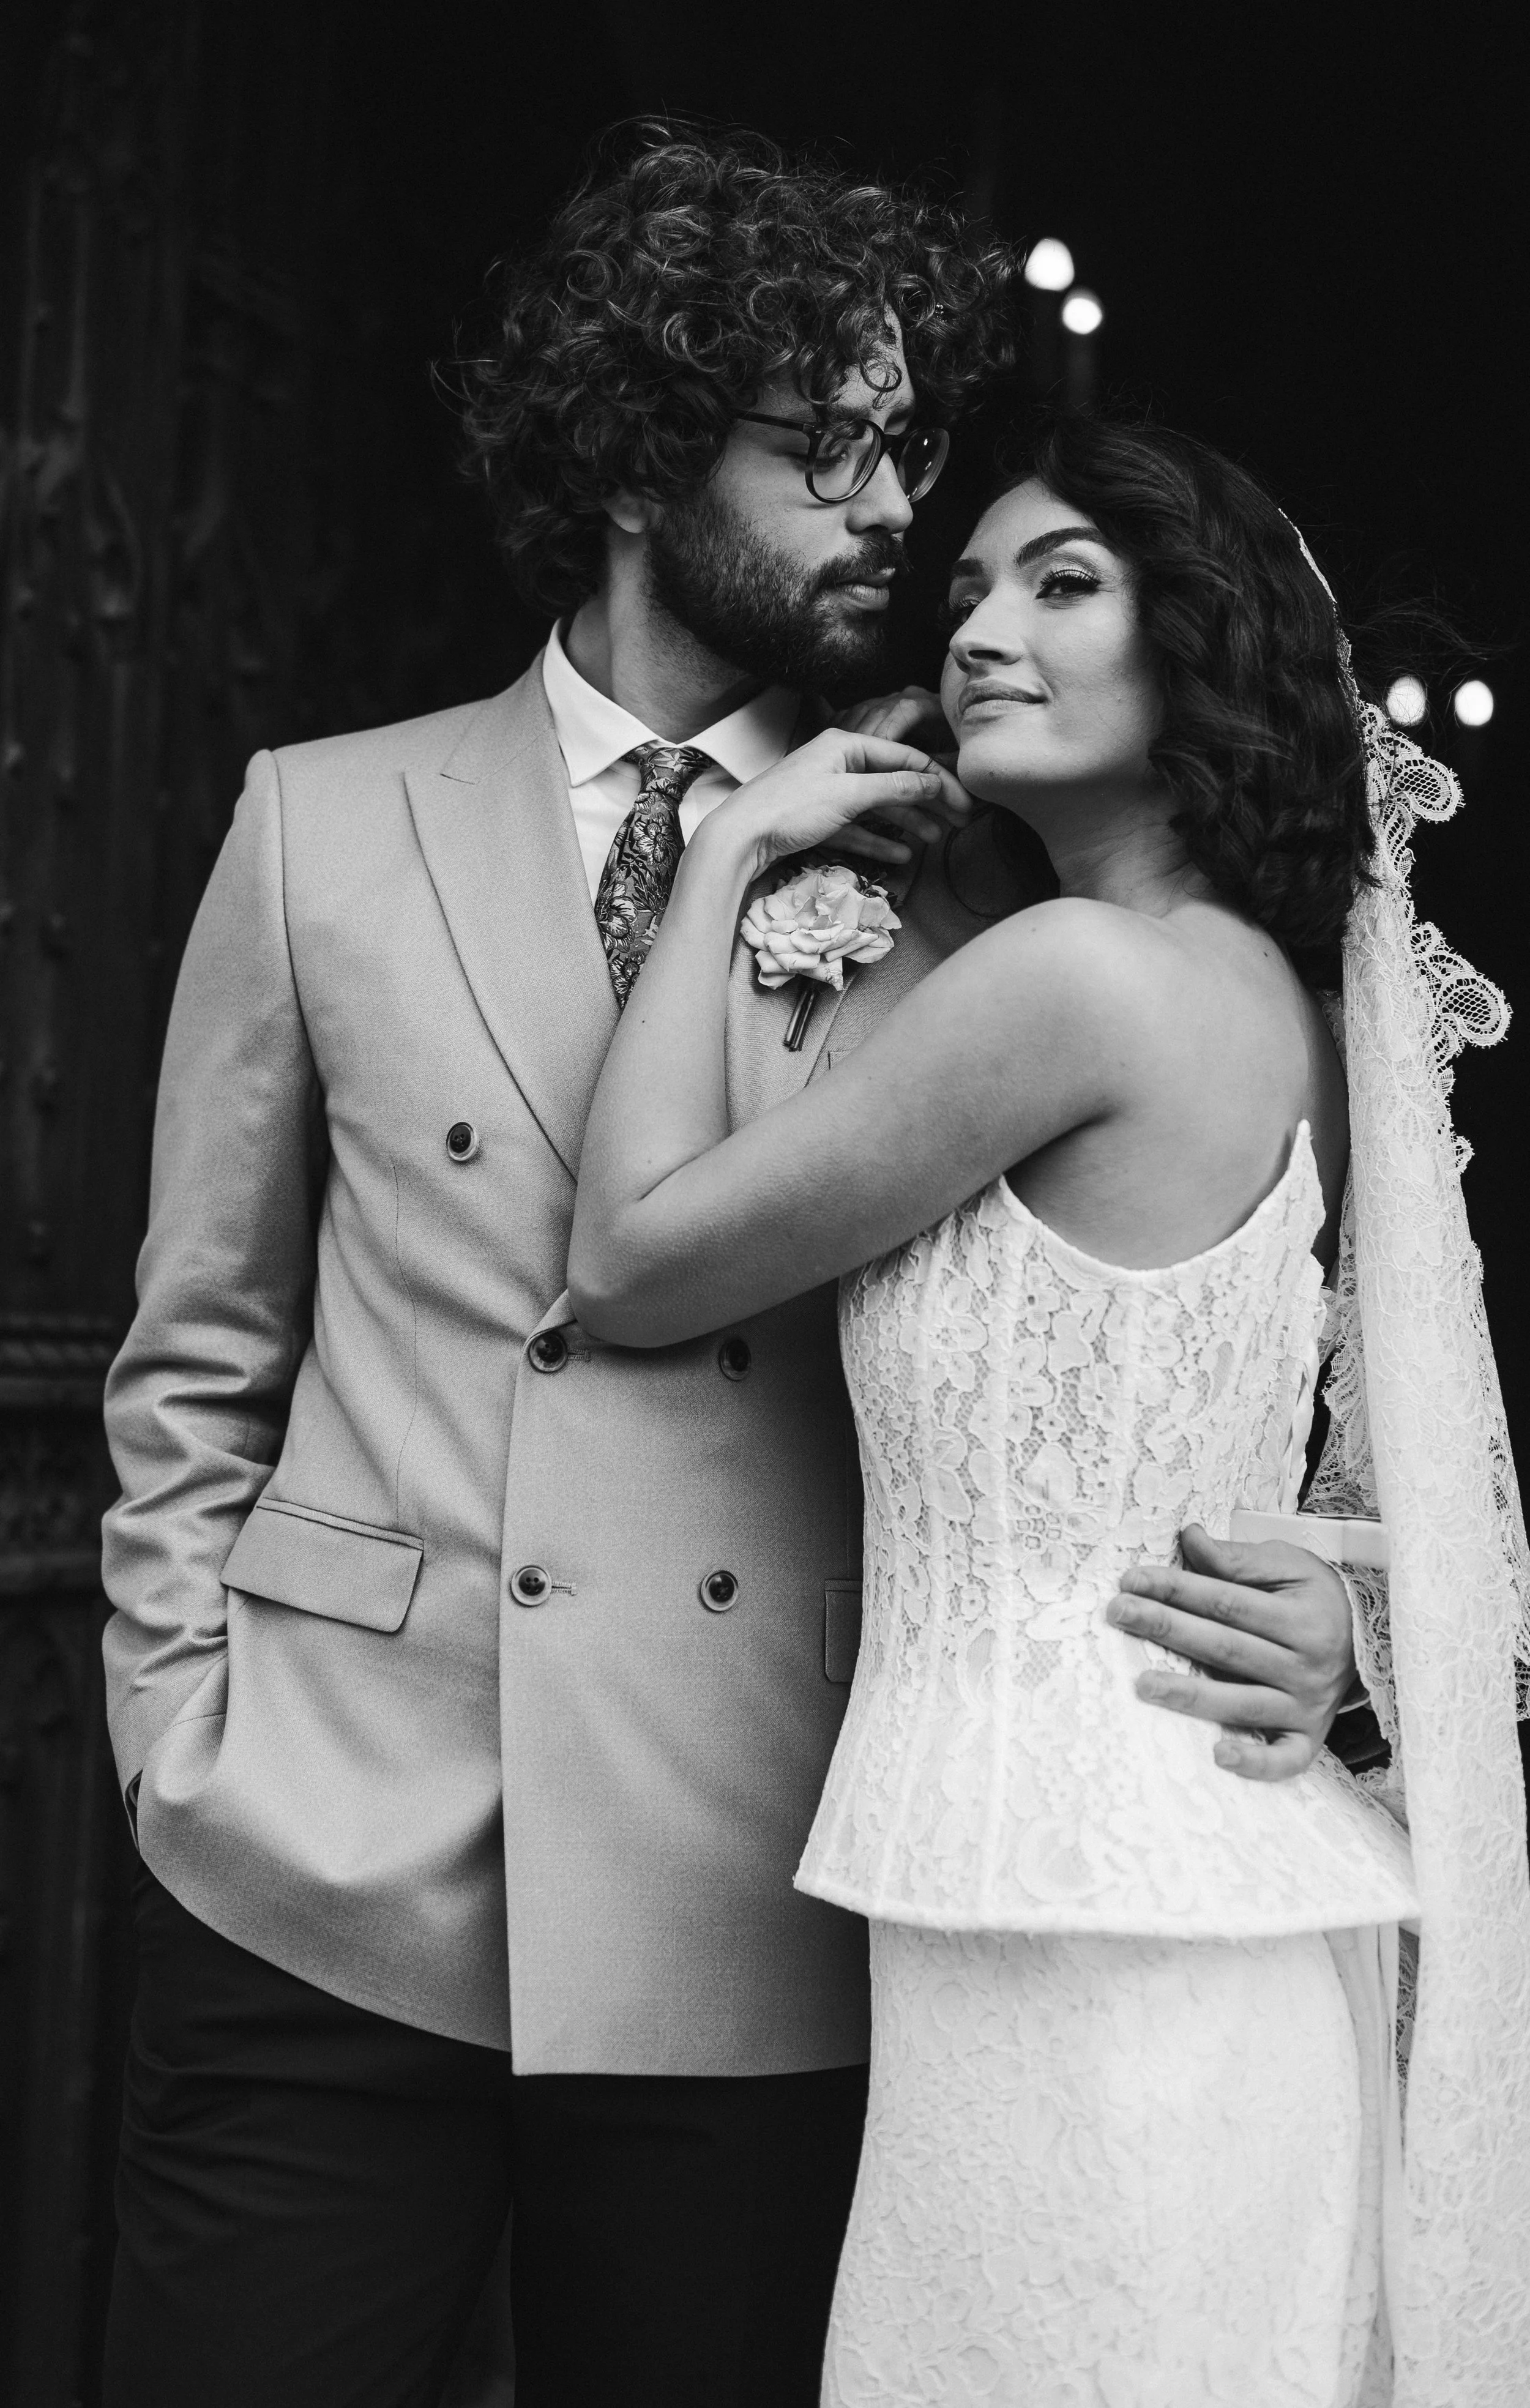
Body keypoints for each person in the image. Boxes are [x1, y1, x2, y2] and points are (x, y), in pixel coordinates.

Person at [99, 129, 1371, 2408]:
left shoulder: (997, 876)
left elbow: (1232, 1327)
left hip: (757, 1904)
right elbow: (198, 1349)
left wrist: (1351, 1597)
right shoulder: (319, 816)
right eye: (836, 449)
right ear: (638, 452)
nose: (899, 511)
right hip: (313, 1865)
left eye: (914, 446)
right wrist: (174, 1747)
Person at [569, 414, 1530, 2402]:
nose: (983, 627)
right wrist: (1352, 1597)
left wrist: (734, 842)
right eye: (974, 586)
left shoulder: (1075, 983)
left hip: (1089, 1953)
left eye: (1062, 582)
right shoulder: (1266, 1002)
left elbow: (633, 1260)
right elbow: (1259, 1431)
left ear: (1197, 645)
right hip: (1147, 1910)